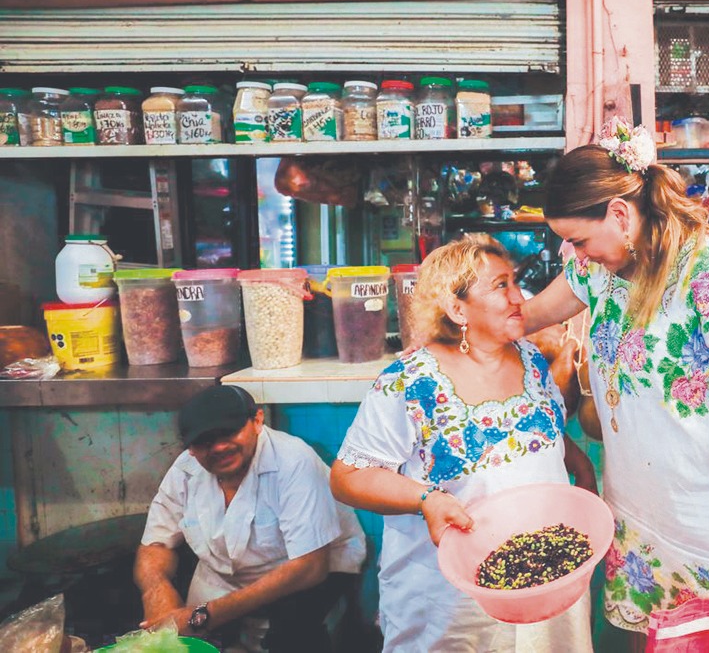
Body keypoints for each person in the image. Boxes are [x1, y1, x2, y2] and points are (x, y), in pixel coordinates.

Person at [523, 118, 709, 645]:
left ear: (619, 214)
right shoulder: (596, 270)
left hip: (707, 520)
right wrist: (451, 323)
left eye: (578, 239)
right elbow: (526, 316)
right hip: (635, 516)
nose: (575, 253)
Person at [329, 234, 594, 653]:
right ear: (457, 309)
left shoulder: (529, 359)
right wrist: (427, 500)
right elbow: (348, 476)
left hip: (544, 577)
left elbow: (533, 432)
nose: (518, 297)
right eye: (500, 285)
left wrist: (580, 467)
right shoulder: (411, 381)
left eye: (514, 282)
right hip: (453, 602)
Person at [135, 384, 367, 653]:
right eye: (205, 441)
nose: (220, 447)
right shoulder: (185, 471)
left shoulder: (293, 461)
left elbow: (309, 566)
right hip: (223, 576)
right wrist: (157, 595)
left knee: (292, 636)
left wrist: (207, 615)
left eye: (229, 432)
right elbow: (155, 544)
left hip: (306, 574)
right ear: (190, 449)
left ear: (257, 421)